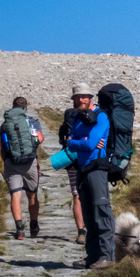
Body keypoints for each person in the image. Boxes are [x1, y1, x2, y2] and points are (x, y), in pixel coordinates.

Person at [68, 90, 115, 269]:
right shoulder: (76, 117)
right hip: (82, 168)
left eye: (84, 96)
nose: (81, 99)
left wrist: (79, 141)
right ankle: (93, 255)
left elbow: (88, 143)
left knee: (101, 211)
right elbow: (70, 142)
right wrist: (80, 141)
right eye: (77, 97)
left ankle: (107, 256)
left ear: (90, 98)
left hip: (97, 168)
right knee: (88, 214)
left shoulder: (101, 116)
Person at [0, 97, 44, 239]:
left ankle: (19, 230)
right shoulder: (32, 121)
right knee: (32, 195)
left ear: (13, 107)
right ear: (26, 108)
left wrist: (6, 161)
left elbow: (3, 148)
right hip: (30, 162)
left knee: (15, 195)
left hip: (11, 162)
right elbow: (40, 138)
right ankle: (33, 226)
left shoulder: (5, 125)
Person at [59, 84, 93, 245]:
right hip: (91, 159)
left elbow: (62, 137)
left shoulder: (69, 114)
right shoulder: (95, 114)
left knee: (76, 195)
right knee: (93, 193)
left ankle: (81, 232)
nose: (81, 99)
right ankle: (92, 228)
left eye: (82, 96)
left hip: (72, 160)